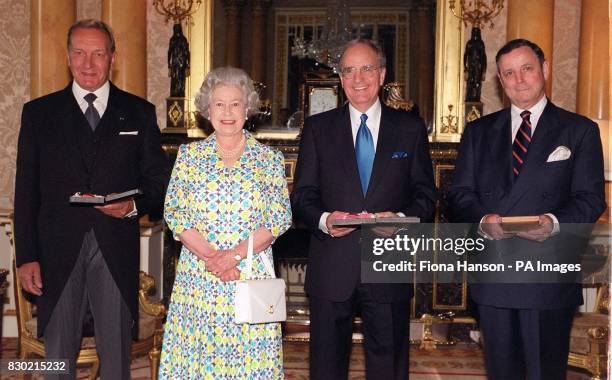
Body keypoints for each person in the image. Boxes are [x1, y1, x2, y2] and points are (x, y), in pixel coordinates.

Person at [14, 19, 169, 379]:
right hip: (55, 253)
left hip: (114, 250)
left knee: (116, 362)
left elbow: (160, 181)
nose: (88, 63)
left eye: (98, 53)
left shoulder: (139, 112)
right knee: (57, 363)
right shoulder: (38, 114)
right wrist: (27, 257)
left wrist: (132, 206)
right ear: (67, 58)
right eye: (80, 53)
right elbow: (26, 192)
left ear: (112, 58)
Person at [448, 39, 606, 379]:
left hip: (547, 274)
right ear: (500, 81)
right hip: (495, 274)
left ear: (544, 70)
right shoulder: (478, 132)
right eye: (509, 73)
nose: (519, 80)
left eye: (527, 69)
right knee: (502, 372)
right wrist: (481, 218)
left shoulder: (579, 130)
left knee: (543, 372)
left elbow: (591, 198)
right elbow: (458, 195)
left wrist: (552, 222)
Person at [291, 39, 437, 380]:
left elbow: (426, 194)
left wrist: (401, 220)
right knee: (326, 367)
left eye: (367, 68)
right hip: (332, 267)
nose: (358, 78)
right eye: (349, 70)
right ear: (340, 78)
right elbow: (302, 196)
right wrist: (326, 220)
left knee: (389, 365)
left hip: (388, 264)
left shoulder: (410, 129)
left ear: (382, 74)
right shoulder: (318, 128)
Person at [159, 66, 292, 378]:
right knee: (199, 363)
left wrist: (232, 256)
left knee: (249, 364)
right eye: (219, 104)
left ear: (248, 109)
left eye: (235, 103)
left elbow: (278, 217)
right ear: (208, 110)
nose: (228, 112)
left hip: (250, 275)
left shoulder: (268, 159)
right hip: (199, 280)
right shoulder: (189, 157)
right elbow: (175, 212)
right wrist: (212, 259)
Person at [168, 23, 190, 98]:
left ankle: (180, 93)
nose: (176, 30)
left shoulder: (183, 39)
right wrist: (169, 65)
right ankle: (175, 94)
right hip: (175, 64)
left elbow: (187, 52)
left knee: (180, 80)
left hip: (181, 63)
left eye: (177, 29)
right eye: (175, 28)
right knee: (175, 80)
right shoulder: (173, 39)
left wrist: (188, 65)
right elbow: (169, 52)